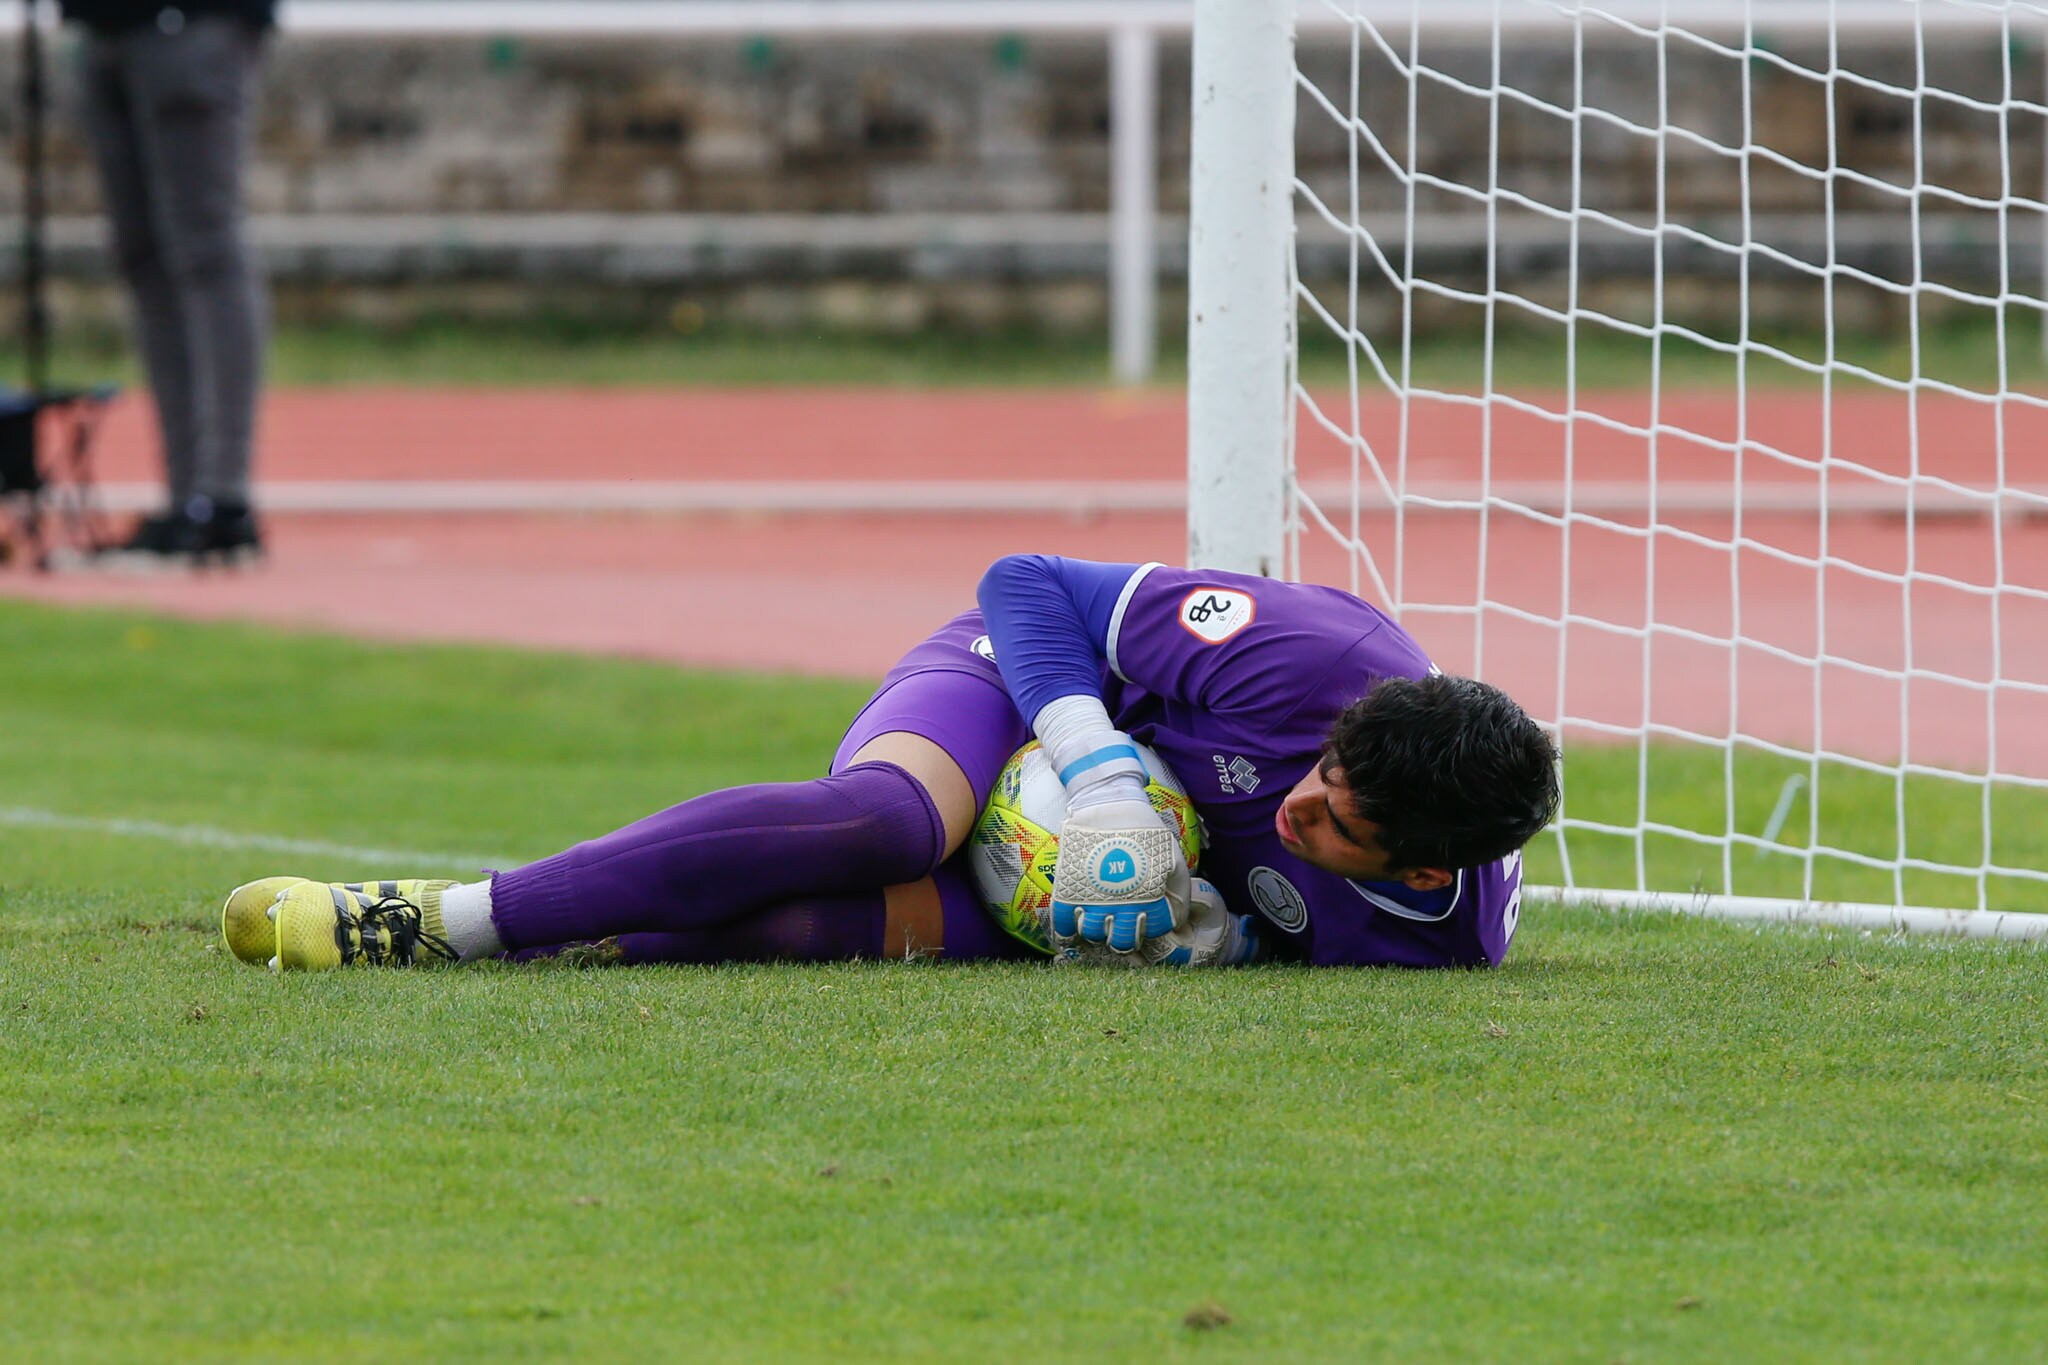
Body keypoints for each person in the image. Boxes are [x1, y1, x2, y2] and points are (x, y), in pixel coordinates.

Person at [219, 556, 1560, 971]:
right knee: (886, 825)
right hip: (1016, 684)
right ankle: (436, 920)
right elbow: (1029, 581)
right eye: (1319, 769)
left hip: (1075, 870)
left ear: (1428, 864)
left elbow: (1292, 936)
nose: (1301, 800)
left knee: (847, 930)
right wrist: (1092, 759)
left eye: (1335, 819)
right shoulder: (1316, 656)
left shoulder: (1441, 946)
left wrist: (1206, 939)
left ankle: (592, 941)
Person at [64, 0, 273, 563]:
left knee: (206, 251)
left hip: (191, 25)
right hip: (107, 26)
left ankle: (223, 495)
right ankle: (187, 497)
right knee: (145, 260)